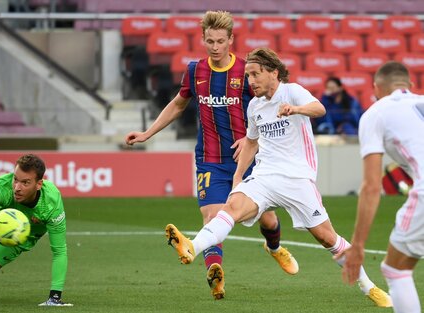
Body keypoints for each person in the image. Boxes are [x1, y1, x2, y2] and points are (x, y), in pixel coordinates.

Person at [165, 47, 391, 307]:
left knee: (327, 238)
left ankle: (369, 286)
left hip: (297, 179)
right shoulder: (255, 106)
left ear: (273, 72)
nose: (251, 81)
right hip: (265, 176)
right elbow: (250, 142)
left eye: (255, 75)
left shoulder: (291, 91)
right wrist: (238, 177)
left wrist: (295, 109)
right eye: (248, 76)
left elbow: (319, 109)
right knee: (232, 208)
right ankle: (193, 246)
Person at [125, 11, 298, 299]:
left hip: (250, 159)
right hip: (210, 159)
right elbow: (178, 105)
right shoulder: (195, 71)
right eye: (210, 41)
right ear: (203, 40)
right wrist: (147, 133)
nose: (215, 47)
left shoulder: (246, 72)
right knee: (213, 216)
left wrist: (248, 137)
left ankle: (274, 247)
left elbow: (267, 108)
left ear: (231, 40)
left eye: (220, 41)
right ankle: (215, 272)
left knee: (267, 220)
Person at [342, 61, 424, 313]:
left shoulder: (375, 113)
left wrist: (357, 246)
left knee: (395, 269)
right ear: (410, 85)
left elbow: (370, 186)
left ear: (376, 88)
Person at [0, 154, 72, 307]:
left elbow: (59, 251)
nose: (17, 187)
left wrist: (55, 296)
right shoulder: (1, 187)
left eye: (25, 183)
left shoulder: (52, 204)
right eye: (15, 179)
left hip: (19, 237)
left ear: (39, 184)